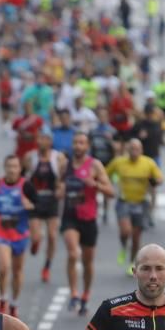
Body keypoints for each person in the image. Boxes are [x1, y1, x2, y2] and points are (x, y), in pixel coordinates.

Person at [62, 132, 115, 315]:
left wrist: (95, 185)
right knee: (72, 252)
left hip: (89, 218)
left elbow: (111, 192)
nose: (78, 146)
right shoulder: (65, 164)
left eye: (81, 143)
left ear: (87, 146)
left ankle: (85, 294)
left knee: (87, 261)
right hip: (70, 216)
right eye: (75, 142)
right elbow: (57, 185)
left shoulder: (95, 165)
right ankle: (74, 293)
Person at [0, 155, 38, 317]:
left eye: (15, 166)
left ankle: (14, 303)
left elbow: (38, 206)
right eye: (9, 166)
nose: (12, 170)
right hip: (1, 231)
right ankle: (3, 300)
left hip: (20, 233)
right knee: (3, 268)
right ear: (4, 167)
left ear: (20, 168)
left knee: (17, 270)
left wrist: (30, 206)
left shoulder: (26, 186)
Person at [107, 138, 163, 272]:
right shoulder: (119, 162)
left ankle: (132, 262)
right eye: (132, 148)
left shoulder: (148, 163)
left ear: (141, 150)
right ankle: (123, 246)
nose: (134, 151)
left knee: (136, 237)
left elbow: (160, 178)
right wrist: (109, 187)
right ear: (127, 150)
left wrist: (154, 181)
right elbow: (105, 174)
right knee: (126, 231)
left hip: (141, 202)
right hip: (124, 201)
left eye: (137, 149)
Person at [25, 129, 67, 283]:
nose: (42, 141)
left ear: (50, 141)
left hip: (51, 200)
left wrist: (61, 188)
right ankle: (35, 242)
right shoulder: (30, 157)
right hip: (35, 199)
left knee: (52, 235)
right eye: (40, 138)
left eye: (45, 138)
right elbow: (24, 178)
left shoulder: (59, 158)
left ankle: (46, 267)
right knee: (36, 236)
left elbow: (63, 178)